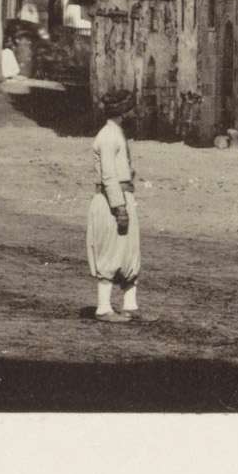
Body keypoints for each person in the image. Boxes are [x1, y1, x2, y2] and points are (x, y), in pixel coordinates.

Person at [87, 89, 143, 322]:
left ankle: (130, 305)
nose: (134, 114)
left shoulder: (117, 134)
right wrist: (119, 207)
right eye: (131, 110)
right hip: (111, 200)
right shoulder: (108, 136)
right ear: (122, 112)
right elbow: (109, 176)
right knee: (111, 251)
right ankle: (103, 308)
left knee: (129, 251)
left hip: (123, 196)